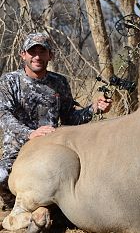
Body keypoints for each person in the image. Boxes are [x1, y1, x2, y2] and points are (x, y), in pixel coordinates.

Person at [0, 32, 112, 210]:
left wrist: (94, 108)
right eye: (32, 52)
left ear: (50, 55)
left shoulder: (59, 82)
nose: (37, 57)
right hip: (17, 155)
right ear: (23, 54)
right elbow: (4, 116)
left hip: (51, 155)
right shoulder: (9, 81)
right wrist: (31, 133)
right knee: (2, 177)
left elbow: (69, 118)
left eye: (42, 52)